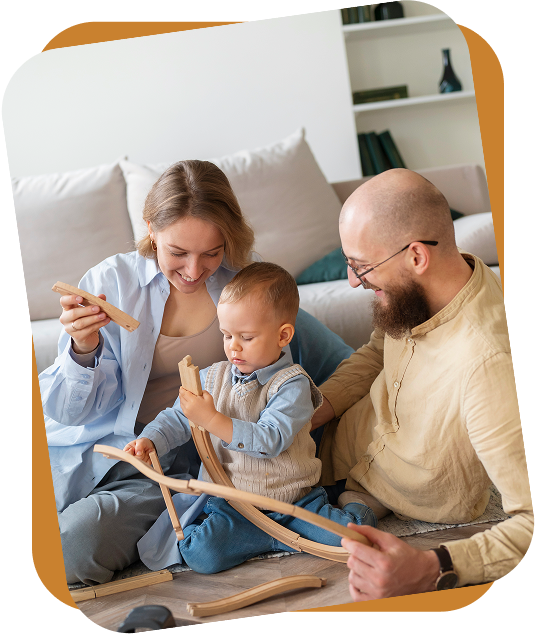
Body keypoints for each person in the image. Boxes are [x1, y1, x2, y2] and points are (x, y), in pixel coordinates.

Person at [40, 160, 354, 586]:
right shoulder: (109, 283)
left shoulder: (246, 281)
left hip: (209, 466)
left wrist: (316, 417)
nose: (193, 270)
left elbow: (333, 358)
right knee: (65, 543)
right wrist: (83, 348)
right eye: (177, 252)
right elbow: (66, 412)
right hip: (120, 455)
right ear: (151, 228)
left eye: (211, 252)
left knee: (72, 550)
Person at [310, 168, 531, 601]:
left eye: (361, 266)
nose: (353, 281)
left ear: (415, 257)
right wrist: (311, 413)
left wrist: (434, 567)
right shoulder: (429, 286)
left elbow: (529, 521)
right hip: (340, 437)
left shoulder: (485, 366)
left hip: (368, 488)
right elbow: (377, 352)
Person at [124, 262, 377, 574]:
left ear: (283, 335)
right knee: (200, 555)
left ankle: (356, 504)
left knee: (356, 538)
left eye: (246, 337)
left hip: (295, 502)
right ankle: (261, 538)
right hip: (235, 507)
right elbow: (177, 417)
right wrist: (150, 439)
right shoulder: (212, 377)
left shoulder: (292, 385)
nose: (233, 347)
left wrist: (211, 418)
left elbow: (270, 439)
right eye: (227, 335)